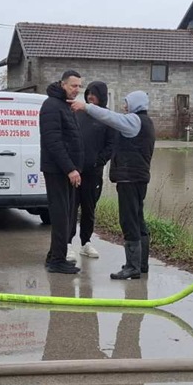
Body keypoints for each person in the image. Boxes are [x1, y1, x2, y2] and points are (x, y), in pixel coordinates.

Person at [71, 90, 154, 280]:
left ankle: (132, 267)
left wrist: (86, 107)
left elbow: (109, 117)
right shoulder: (146, 122)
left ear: (136, 104)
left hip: (129, 179)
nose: (125, 106)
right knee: (138, 219)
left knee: (129, 220)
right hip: (139, 178)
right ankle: (141, 264)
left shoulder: (134, 121)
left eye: (127, 103)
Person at [39, 70, 84, 274]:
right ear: (63, 84)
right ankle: (57, 261)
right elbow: (54, 142)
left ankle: (54, 255)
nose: (77, 90)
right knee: (60, 216)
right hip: (57, 171)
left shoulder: (64, 106)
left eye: (79, 86)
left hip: (66, 171)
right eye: (73, 86)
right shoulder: (51, 106)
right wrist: (70, 169)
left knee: (66, 214)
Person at [73, 81, 116, 259]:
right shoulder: (77, 113)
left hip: (93, 173)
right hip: (74, 171)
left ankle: (86, 242)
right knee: (70, 208)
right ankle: (67, 243)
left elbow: (111, 145)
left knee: (89, 209)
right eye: (88, 93)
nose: (90, 96)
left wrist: (98, 162)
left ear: (102, 96)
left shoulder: (107, 118)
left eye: (95, 93)